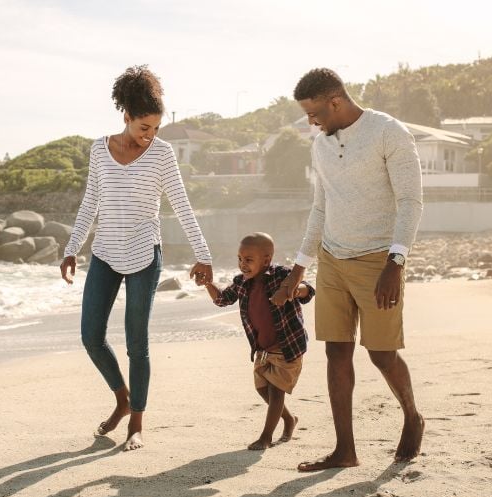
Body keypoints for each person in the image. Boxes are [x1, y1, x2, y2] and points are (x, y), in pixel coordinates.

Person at [272, 68, 425, 471]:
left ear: (335, 102)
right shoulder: (321, 146)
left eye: (314, 113)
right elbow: (320, 208)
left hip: (379, 261)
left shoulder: (389, 132)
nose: (311, 122)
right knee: (336, 352)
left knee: (382, 355)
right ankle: (345, 451)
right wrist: (298, 270)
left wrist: (396, 261)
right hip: (333, 261)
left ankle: (412, 415)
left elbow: (411, 201)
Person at [60, 65, 213, 452]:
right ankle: (122, 399)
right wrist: (72, 247)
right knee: (91, 337)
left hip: (145, 254)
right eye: (144, 127)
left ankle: (137, 423)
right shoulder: (100, 149)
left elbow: (181, 205)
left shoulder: (161, 155)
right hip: (105, 255)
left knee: (136, 343)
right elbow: (90, 202)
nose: (151, 136)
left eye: (156, 128)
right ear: (125, 115)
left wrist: (203, 254)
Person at [204, 232, 314, 450]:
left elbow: (308, 290)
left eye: (248, 260)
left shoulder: (282, 275)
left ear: (266, 260)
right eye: (240, 259)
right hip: (262, 350)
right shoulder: (242, 283)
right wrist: (208, 283)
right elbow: (221, 299)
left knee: (275, 392)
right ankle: (290, 420)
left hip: (287, 348)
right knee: (262, 389)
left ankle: (266, 437)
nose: (242, 264)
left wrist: (292, 290)